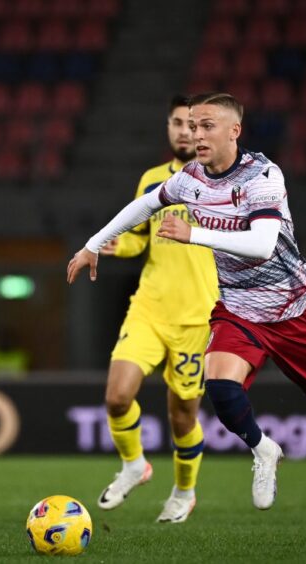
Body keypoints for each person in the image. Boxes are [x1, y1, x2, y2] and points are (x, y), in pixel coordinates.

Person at [67, 93, 306, 545]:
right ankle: (264, 448)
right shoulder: (190, 179)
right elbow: (144, 206)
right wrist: (92, 244)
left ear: (233, 131)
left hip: (294, 308)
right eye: (191, 126)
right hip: (239, 308)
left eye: (206, 126)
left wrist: (193, 234)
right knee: (220, 389)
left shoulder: (263, 175)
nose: (195, 135)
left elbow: (263, 243)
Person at [95, 95, 218, 524]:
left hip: (198, 318)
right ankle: (134, 464)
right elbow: (139, 238)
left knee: (182, 415)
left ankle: (184, 492)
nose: (185, 131)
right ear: (168, 128)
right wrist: (120, 244)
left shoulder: (222, 181)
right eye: (177, 123)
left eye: (193, 124)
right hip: (149, 308)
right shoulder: (151, 179)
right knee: (116, 396)